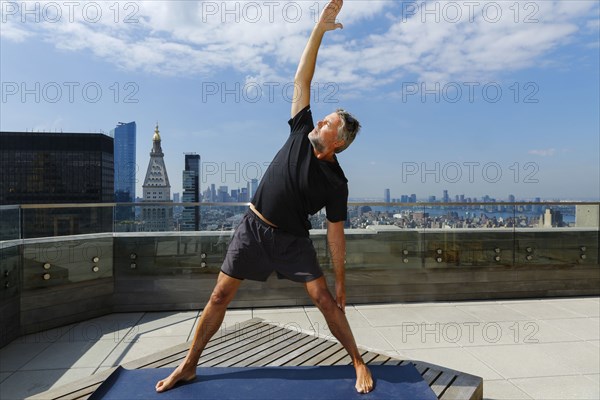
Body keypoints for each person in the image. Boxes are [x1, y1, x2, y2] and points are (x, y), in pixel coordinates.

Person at [156, 0, 373, 394]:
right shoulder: (301, 131)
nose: (320, 119)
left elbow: (335, 235)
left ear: (335, 145)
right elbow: (302, 81)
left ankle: (358, 360)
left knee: (325, 300)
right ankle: (188, 365)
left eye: (328, 123)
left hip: (292, 241)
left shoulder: (336, 183)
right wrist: (318, 30)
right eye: (323, 117)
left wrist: (342, 282)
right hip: (253, 228)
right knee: (220, 295)